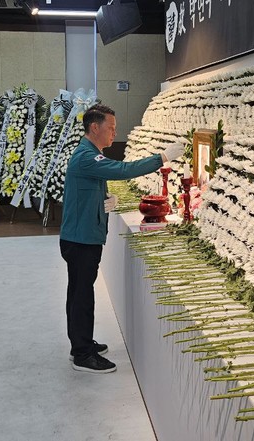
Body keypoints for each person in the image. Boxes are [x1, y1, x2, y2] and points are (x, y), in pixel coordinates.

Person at [60, 104, 184, 373]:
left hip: (83, 236)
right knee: (81, 296)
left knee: (80, 292)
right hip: (81, 240)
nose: (114, 133)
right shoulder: (86, 156)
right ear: (95, 127)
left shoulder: (89, 154)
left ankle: (81, 343)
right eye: (111, 128)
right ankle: (82, 354)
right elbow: (123, 170)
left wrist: (105, 198)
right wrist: (162, 157)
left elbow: (89, 186)